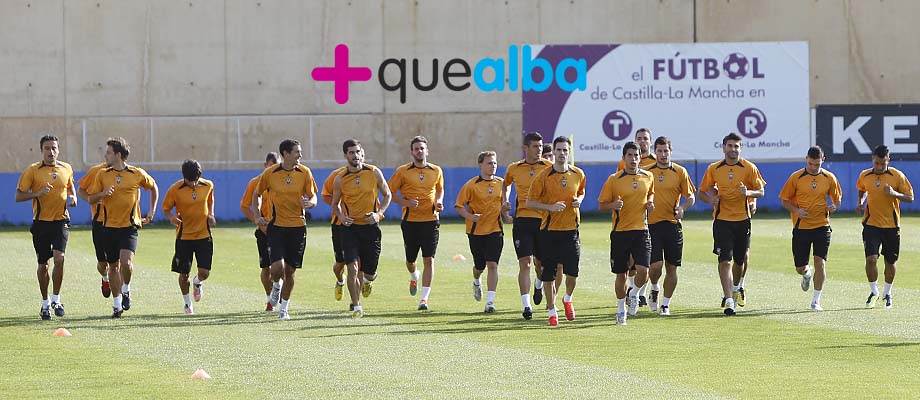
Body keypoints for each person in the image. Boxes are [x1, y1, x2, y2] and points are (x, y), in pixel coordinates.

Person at [87, 137, 158, 318]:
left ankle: (126, 288)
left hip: (129, 226)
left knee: (126, 263)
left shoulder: (136, 173)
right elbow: (90, 198)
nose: (106, 155)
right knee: (113, 267)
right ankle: (117, 305)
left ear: (118, 155)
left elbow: (153, 187)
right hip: (108, 227)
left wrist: (151, 211)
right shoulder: (102, 174)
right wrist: (102, 194)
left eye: (109, 152)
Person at [698, 133, 765, 316]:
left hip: (743, 220)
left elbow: (761, 191)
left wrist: (748, 193)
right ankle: (728, 299)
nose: (733, 149)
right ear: (723, 147)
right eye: (730, 146)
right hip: (722, 221)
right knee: (724, 260)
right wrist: (711, 199)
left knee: (740, 260)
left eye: (736, 146)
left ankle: (736, 288)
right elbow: (702, 192)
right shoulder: (714, 168)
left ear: (740, 148)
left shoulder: (749, 167)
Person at [250, 139, 318, 320]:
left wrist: (310, 203)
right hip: (276, 227)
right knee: (277, 267)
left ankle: (284, 308)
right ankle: (276, 287)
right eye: (297, 152)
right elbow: (256, 194)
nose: (300, 156)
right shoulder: (270, 173)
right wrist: (257, 215)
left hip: (298, 228)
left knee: (290, 270)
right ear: (286, 154)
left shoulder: (305, 172)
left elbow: (313, 196)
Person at [15, 135, 77, 320]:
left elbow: (70, 188)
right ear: (42, 150)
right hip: (41, 223)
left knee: (60, 258)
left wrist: (72, 199)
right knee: (43, 265)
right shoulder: (33, 171)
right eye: (47, 148)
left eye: (54, 148)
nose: (51, 151)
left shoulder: (66, 168)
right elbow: (18, 196)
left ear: (58, 150)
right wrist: (37, 193)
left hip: (61, 221)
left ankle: (57, 299)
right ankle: (45, 303)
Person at [526, 137, 586, 327]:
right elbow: (530, 202)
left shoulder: (578, 173)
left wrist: (579, 201)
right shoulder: (543, 176)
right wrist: (549, 207)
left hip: (571, 231)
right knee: (548, 274)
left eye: (565, 150)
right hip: (550, 232)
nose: (561, 153)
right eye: (558, 150)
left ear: (569, 152)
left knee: (572, 274)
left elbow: (582, 191)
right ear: (554, 152)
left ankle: (567, 299)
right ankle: (552, 311)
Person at [331, 139, 392, 318]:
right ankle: (356, 306)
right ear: (345, 155)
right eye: (351, 152)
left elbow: (387, 194)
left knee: (370, 272)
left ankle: (367, 281)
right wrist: (342, 217)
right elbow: (335, 204)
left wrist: (378, 214)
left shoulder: (374, 172)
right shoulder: (340, 178)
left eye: (357, 152)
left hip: (371, 227)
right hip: (349, 229)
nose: (355, 155)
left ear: (362, 153)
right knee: (352, 267)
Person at [778, 146, 842, 311]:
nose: (814, 167)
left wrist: (834, 207)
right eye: (811, 164)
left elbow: (837, 200)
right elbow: (784, 200)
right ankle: (806, 274)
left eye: (817, 164)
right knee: (800, 267)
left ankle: (816, 301)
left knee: (820, 262)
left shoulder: (829, 178)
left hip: (822, 226)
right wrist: (796, 210)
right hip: (801, 227)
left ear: (823, 161)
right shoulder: (796, 177)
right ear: (806, 159)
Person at [598, 142, 654, 325]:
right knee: (621, 274)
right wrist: (613, 206)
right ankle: (621, 309)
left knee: (644, 270)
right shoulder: (614, 179)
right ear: (624, 158)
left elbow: (651, 193)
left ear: (640, 157)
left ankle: (635, 294)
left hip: (641, 230)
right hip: (620, 232)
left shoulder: (648, 176)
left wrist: (650, 203)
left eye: (636, 155)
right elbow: (602, 204)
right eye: (629, 155)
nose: (633, 159)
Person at [388, 136, 444, 311]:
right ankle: (414, 275)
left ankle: (424, 299)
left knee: (429, 259)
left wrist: (438, 202)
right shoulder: (403, 171)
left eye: (422, 148)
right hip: (410, 222)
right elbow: (389, 192)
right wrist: (405, 202)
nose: (419, 151)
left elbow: (440, 189)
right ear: (412, 152)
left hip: (431, 221)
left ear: (427, 151)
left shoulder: (436, 170)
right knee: (410, 260)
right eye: (416, 149)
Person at [856, 145, 913, 309]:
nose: (879, 167)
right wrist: (860, 202)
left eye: (883, 163)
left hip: (891, 226)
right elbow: (862, 189)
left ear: (888, 160)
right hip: (871, 224)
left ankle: (887, 292)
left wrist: (894, 194)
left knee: (890, 261)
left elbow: (910, 197)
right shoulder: (865, 175)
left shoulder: (897, 176)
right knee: (871, 258)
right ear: (872, 159)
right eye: (876, 163)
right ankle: (874, 292)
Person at [503, 132, 552, 320]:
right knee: (525, 263)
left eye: (540, 146)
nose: (539, 149)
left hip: (543, 220)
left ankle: (538, 285)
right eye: (535, 146)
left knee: (542, 264)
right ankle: (526, 306)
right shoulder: (514, 168)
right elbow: (506, 185)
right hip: (522, 220)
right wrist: (505, 201)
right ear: (526, 148)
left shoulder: (549, 167)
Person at [456, 151, 512, 314]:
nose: (492, 166)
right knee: (479, 266)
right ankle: (476, 279)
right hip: (476, 232)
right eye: (489, 163)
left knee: (492, 265)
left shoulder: (502, 184)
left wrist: (506, 215)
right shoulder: (471, 185)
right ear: (480, 165)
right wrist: (470, 216)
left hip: (495, 230)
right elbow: (459, 206)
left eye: (494, 163)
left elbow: (503, 205)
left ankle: (490, 301)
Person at [645, 137, 695, 316]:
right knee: (656, 266)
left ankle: (665, 304)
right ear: (655, 151)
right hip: (651, 225)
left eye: (666, 151)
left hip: (673, 225)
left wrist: (682, 208)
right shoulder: (646, 172)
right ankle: (655, 287)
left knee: (672, 267)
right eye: (659, 151)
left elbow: (690, 196)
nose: (663, 154)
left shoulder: (680, 171)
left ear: (670, 151)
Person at [162, 160, 216, 315]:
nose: (193, 184)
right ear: (184, 177)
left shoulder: (208, 185)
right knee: (183, 273)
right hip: (184, 237)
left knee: (205, 272)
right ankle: (187, 304)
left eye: (196, 181)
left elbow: (210, 200)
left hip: (204, 235)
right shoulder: (175, 189)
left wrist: (211, 215)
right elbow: (166, 208)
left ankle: (197, 282)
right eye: (190, 181)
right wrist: (171, 218)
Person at [617, 128, 657, 307]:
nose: (642, 141)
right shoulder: (624, 165)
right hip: (631, 221)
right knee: (633, 260)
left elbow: (653, 192)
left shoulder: (658, 161)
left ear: (650, 141)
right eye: (639, 138)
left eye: (645, 139)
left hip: (655, 220)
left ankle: (642, 291)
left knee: (648, 262)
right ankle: (635, 291)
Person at [240, 152, 280, 311]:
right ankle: (270, 299)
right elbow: (244, 206)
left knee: (282, 266)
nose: (274, 168)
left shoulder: (282, 181)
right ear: (265, 165)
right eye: (271, 165)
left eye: (276, 165)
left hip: (281, 229)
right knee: (266, 268)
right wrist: (258, 221)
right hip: (263, 232)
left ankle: (281, 296)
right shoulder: (256, 182)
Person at [77, 156, 111, 299]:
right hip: (99, 222)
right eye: (108, 153)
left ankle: (121, 296)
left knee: (119, 262)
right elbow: (82, 190)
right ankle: (105, 278)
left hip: (120, 222)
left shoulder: (127, 173)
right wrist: (93, 199)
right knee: (103, 264)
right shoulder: (96, 171)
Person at [320, 165, 350, 305]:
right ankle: (340, 280)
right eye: (352, 153)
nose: (357, 157)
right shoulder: (337, 175)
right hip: (339, 224)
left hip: (362, 224)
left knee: (357, 263)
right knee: (341, 263)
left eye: (359, 153)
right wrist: (338, 205)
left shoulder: (371, 172)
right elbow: (325, 195)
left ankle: (355, 301)